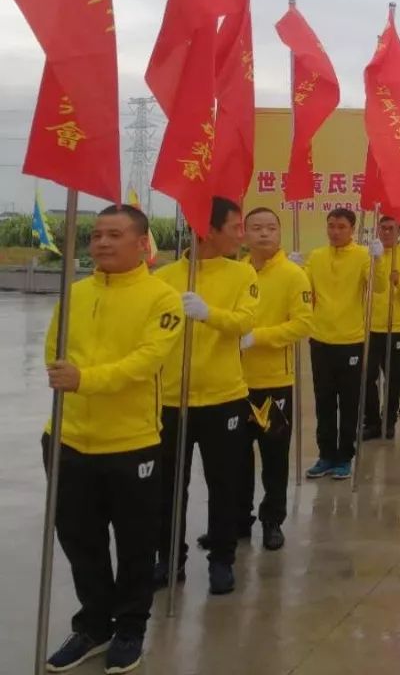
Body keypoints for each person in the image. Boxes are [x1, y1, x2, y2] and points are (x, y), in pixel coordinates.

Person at [40, 205, 183, 675]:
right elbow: (53, 350)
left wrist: (86, 378)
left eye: (114, 234)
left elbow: (145, 363)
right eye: (96, 234)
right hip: (67, 439)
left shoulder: (162, 299)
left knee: (136, 543)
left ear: (143, 243)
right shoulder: (75, 292)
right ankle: (94, 624)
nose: (101, 242)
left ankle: (130, 628)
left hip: (131, 442)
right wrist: (71, 379)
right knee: (80, 540)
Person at [154, 196, 258, 596]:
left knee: (224, 484)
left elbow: (246, 321)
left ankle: (221, 558)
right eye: (235, 227)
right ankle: (169, 559)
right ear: (207, 230)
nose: (242, 235)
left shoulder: (241, 275)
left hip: (223, 398)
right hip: (170, 399)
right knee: (169, 487)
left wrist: (208, 313)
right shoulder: (164, 279)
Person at [238, 207, 314, 553]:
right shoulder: (236, 273)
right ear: (244, 233)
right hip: (233, 382)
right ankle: (237, 519)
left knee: (273, 457)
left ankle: (272, 521)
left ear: (280, 233)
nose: (264, 234)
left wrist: (258, 337)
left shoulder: (293, 275)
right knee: (234, 460)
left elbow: (302, 324)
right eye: (256, 228)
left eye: (270, 228)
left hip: (273, 382)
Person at [304, 208, 384, 480]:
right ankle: (325, 454)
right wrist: (293, 269)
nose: (335, 232)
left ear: (352, 229)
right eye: (331, 226)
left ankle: (344, 456)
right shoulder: (316, 257)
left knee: (349, 402)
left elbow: (379, 287)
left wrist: (378, 261)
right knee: (324, 401)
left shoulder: (363, 255)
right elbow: (305, 291)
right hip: (320, 339)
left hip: (351, 340)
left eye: (341, 227)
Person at [362, 216, 400, 441]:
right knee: (368, 378)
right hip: (369, 327)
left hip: (396, 327)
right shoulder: (369, 256)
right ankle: (372, 422)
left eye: (391, 229)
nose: (386, 233)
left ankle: (389, 421)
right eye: (383, 228)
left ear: (399, 232)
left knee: (393, 378)